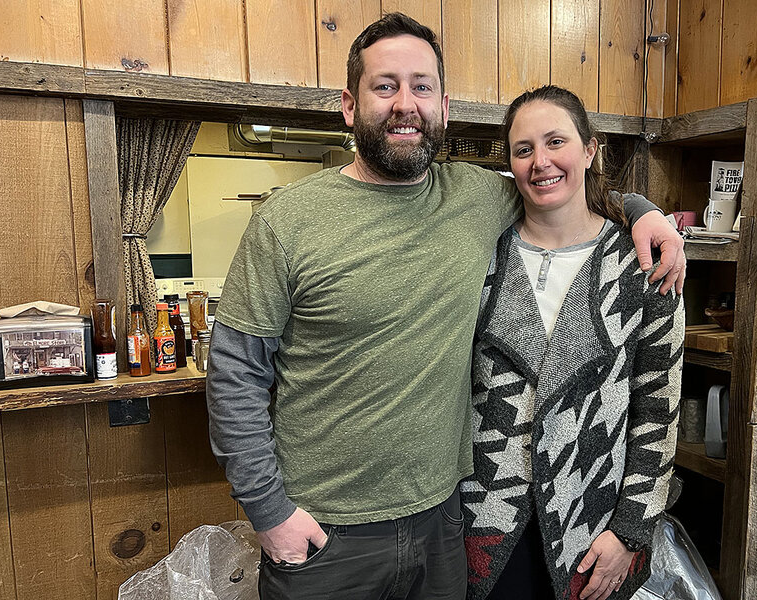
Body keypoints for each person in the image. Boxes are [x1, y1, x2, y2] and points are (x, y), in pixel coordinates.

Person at [206, 13, 685, 600]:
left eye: (421, 86)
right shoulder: (287, 219)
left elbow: (563, 189)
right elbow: (234, 372)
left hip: (445, 523)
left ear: (444, 106)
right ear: (350, 106)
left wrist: (644, 212)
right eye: (385, 86)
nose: (405, 103)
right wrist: (269, 512)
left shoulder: (478, 196)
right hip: (327, 533)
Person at [460, 86, 684, 600]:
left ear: (589, 149)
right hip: (484, 518)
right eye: (523, 150)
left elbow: (658, 405)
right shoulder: (479, 254)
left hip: (594, 520)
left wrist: (631, 529)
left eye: (555, 142)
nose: (541, 162)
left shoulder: (643, 263)